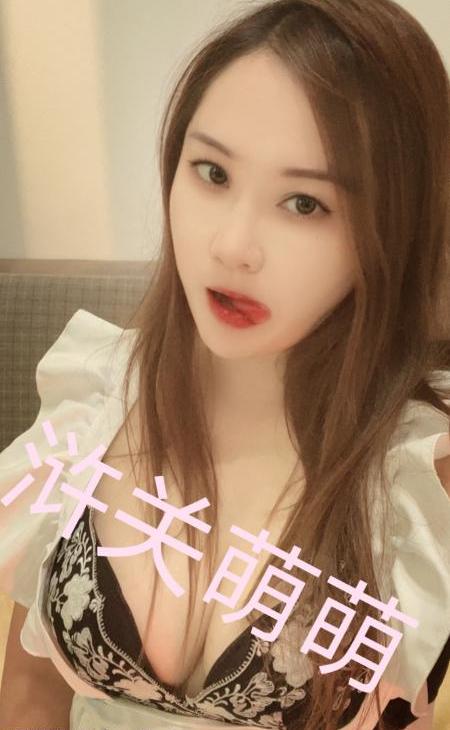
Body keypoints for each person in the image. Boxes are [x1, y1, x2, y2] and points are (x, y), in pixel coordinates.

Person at [0, 0, 449, 728]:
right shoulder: (94, 398)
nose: (232, 245)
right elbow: (30, 691)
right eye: (211, 172)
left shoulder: (417, 476)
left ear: (392, 230)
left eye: (305, 203)